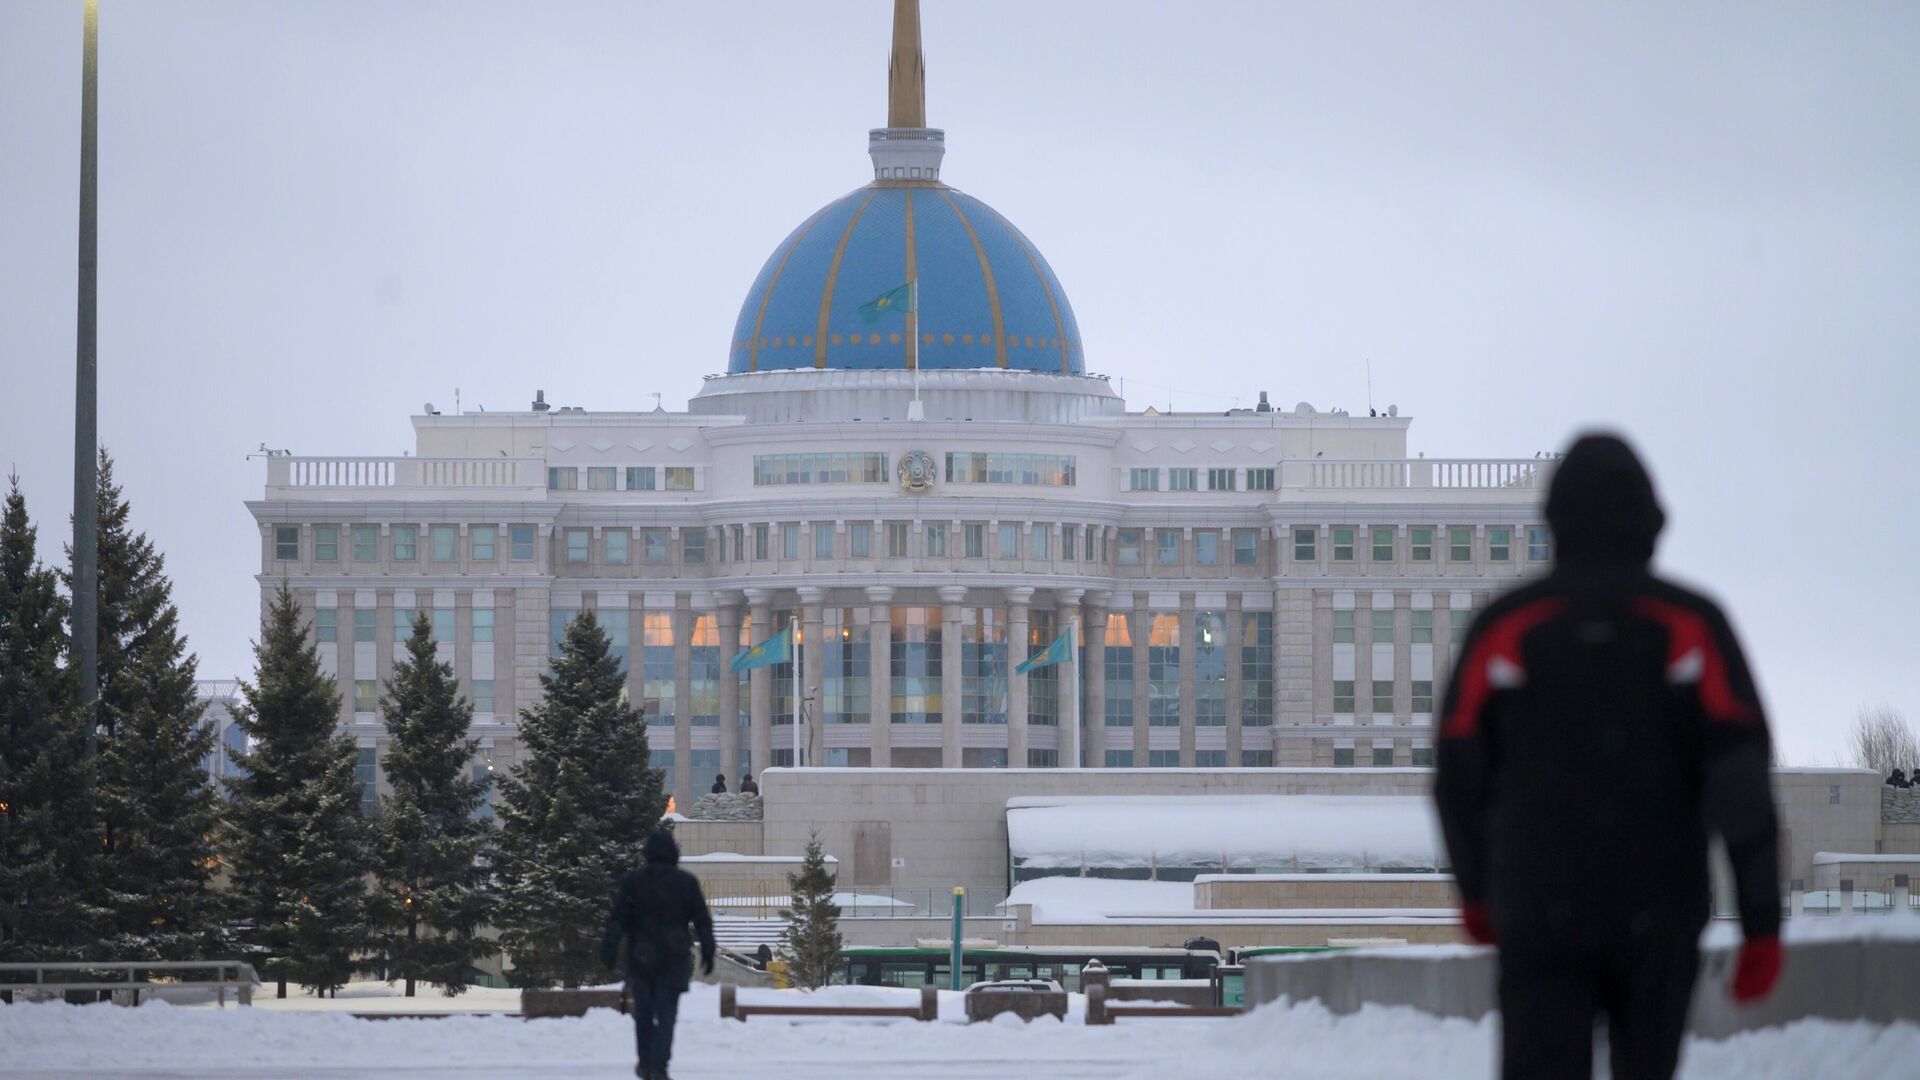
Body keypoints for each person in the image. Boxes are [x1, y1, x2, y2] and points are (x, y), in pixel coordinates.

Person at [1434, 433, 1783, 1080]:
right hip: (1660, 907)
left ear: (1554, 521)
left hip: (1539, 909)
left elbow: (1457, 769)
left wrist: (1477, 890)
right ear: (1651, 519)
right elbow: (1741, 780)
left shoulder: (1507, 625)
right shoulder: (1693, 623)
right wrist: (1762, 922)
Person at [601, 829, 716, 1080]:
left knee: (643, 1014)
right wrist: (708, 949)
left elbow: (618, 919)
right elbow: (702, 920)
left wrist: (609, 947)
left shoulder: (634, 881)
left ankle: (645, 1063)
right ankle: (659, 1066)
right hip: (674, 958)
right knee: (666, 1015)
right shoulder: (686, 882)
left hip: (642, 957)